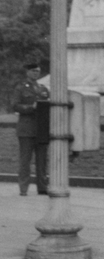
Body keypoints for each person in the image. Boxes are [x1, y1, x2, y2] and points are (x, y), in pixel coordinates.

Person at [13, 62, 50, 196]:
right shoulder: (21, 87)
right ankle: (23, 188)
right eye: (33, 71)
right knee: (25, 161)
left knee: (42, 161)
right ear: (27, 72)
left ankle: (42, 187)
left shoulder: (43, 89)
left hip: (41, 129)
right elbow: (15, 105)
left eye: (38, 71)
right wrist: (31, 108)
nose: (36, 73)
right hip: (26, 129)